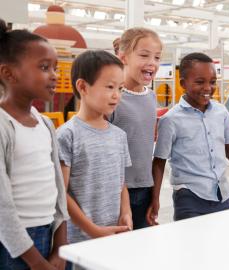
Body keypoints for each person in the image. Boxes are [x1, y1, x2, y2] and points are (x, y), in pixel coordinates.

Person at [152, 52, 229, 221]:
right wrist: (154, 199)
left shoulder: (221, 111)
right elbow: (159, 162)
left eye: (212, 82)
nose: (208, 88)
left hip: (222, 195)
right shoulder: (171, 120)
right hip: (189, 197)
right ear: (183, 83)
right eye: (200, 82)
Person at [0, 19, 69, 270]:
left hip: (50, 234)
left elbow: (58, 188)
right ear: (8, 73)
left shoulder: (45, 123)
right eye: (44, 67)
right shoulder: (3, 125)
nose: (54, 76)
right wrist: (37, 262)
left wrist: (60, 247)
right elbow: (2, 208)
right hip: (14, 246)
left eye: (55, 67)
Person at [57, 50, 132, 248]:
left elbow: (121, 182)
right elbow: (61, 192)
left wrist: (126, 212)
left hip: (115, 233)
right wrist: (92, 229)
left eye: (121, 88)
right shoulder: (67, 135)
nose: (116, 95)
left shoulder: (119, 135)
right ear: (83, 86)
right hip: (80, 240)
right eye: (109, 87)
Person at [109, 27, 162, 228]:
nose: (152, 63)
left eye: (157, 57)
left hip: (145, 187)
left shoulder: (151, 96)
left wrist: (154, 195)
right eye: (144, 55)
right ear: (123, 58)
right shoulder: (114, 98)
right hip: (116, 190)